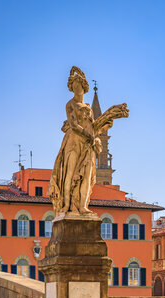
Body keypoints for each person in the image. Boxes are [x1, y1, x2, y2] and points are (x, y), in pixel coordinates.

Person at [49, 66, 129, 217]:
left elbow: (93, 126)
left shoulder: (89, 108)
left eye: (79, 86)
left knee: (86, 175)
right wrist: (89, 136)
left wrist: (109, 117)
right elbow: (73, 124)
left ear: (84, 87)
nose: (76, 89)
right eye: (74, 86)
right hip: (74, 142)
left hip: (87, 144)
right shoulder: (70, 104)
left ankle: (83, 206)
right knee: (70, 173)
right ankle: (67, 206)